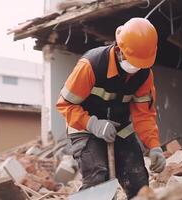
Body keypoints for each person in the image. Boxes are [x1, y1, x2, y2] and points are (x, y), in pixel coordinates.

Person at [56, 17, 166, 198]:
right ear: (119, 49)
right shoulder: (91, 65)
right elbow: (65, 104)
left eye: (141, 64)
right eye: (133, 61)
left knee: (138, 181)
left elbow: (144, 115)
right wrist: (93, 124)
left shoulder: (145, 75)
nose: (137, 67)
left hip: (120, 129)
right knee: (97, 179)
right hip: (85, 127)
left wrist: (154, 147)